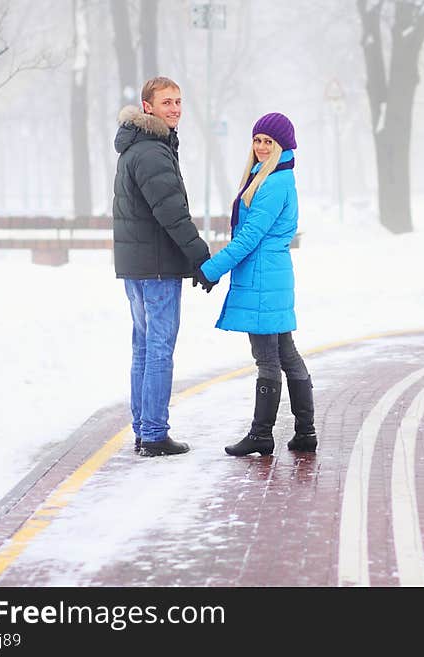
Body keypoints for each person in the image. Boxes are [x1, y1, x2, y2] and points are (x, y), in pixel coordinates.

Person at [195, 113, 317, 457]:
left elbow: (250, 237)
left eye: (269, 142)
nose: (261, 147)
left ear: (283, 146)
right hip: (269, 274)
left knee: (267, 357)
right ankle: (305, 431)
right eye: (257, 140)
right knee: (286, 353)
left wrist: (211, 269)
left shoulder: (273, 183)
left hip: (263, 276)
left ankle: (262, 434)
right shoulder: (271, 178)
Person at [113, 76, 213, 457]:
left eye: (178, 101)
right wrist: (200, 257)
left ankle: (143, 428)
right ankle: (153, 433)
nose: (175, 108)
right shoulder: (153, 152)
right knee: (157, 349)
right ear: (147, 107)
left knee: (143, 347)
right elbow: (171, 213)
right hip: (156, 268)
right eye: (167, 102)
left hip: (137, 267)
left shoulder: (135, 148)